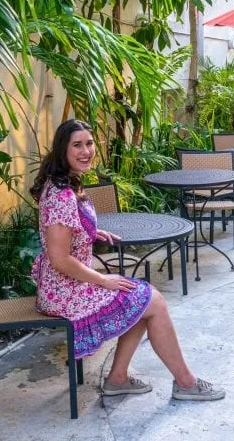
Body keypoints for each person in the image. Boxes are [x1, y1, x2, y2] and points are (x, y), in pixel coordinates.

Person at [29, 119, 224, 401]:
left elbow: (65, 232)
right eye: (77, 145)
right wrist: (104, 280)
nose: (86, 151)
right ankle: (184, 382)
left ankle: (120, 378)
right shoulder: (61, 194)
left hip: (66, 283)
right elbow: (59, 258)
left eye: (89, 143)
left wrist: (92, 231)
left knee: (144, 300)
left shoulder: (65, 182)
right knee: (150, 301)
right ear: (63, 150)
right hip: (64, 291)